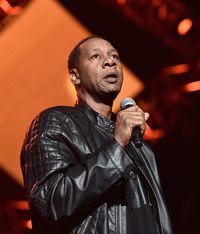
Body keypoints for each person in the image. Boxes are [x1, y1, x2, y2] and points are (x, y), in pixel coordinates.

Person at [20, 35, 172, 234]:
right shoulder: (56, 121)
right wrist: (116, 146)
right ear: (75, 76)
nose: (110, 62)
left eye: (115, 57)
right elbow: (50, 204)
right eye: (96, 57)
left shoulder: (142, 149)